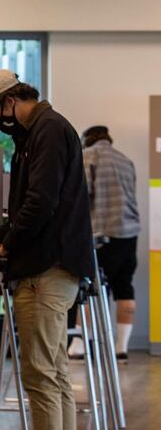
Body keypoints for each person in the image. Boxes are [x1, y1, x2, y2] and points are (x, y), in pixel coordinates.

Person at [0, 69, 95, 430]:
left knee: (40, 379)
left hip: (44, 272)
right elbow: (31, 205)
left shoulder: (48, 131)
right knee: (54, 376)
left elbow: (40, 203)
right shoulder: (40, 133)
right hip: (54, 270)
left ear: (9, 100)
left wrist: (4, 246)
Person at [67, 126, 140, 360]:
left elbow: (80, 196)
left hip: (102, 234)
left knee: (91, 287)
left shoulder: (89, 156)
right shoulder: (126, 161)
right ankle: (121, 348)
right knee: (124, 287)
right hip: (129, 234)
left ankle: (79, 344)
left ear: (87, 140)